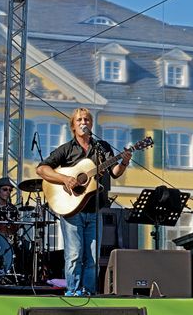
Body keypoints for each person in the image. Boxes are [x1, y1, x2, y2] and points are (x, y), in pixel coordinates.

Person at [36, 107, 131, 296]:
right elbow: (41, 169)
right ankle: (73, 291)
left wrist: (125, 162)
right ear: (73, 126)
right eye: (79, 120)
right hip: (72, 210)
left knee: (93, 257)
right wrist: (65, 179)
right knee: (74, 255)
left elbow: (114, 172)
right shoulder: (67, 149)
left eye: (87, 120)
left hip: (95, 209)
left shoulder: (102, 147)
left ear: (91, 124)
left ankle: (88, 292)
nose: (83, 123)